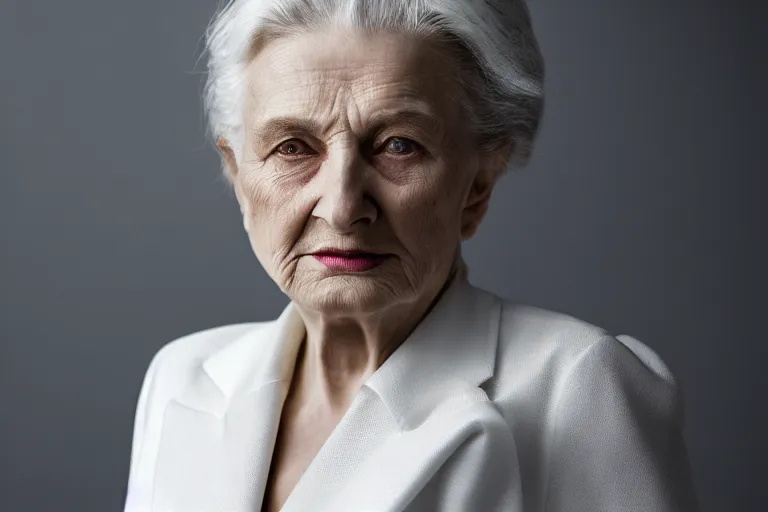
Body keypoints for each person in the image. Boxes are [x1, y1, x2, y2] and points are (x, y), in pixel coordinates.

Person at [123, 1, 699, 511]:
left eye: (399, 145)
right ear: (238, 176)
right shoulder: (182, 377)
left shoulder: (579, 388)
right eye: (293, 147)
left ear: (477, 185)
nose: (343, 206)